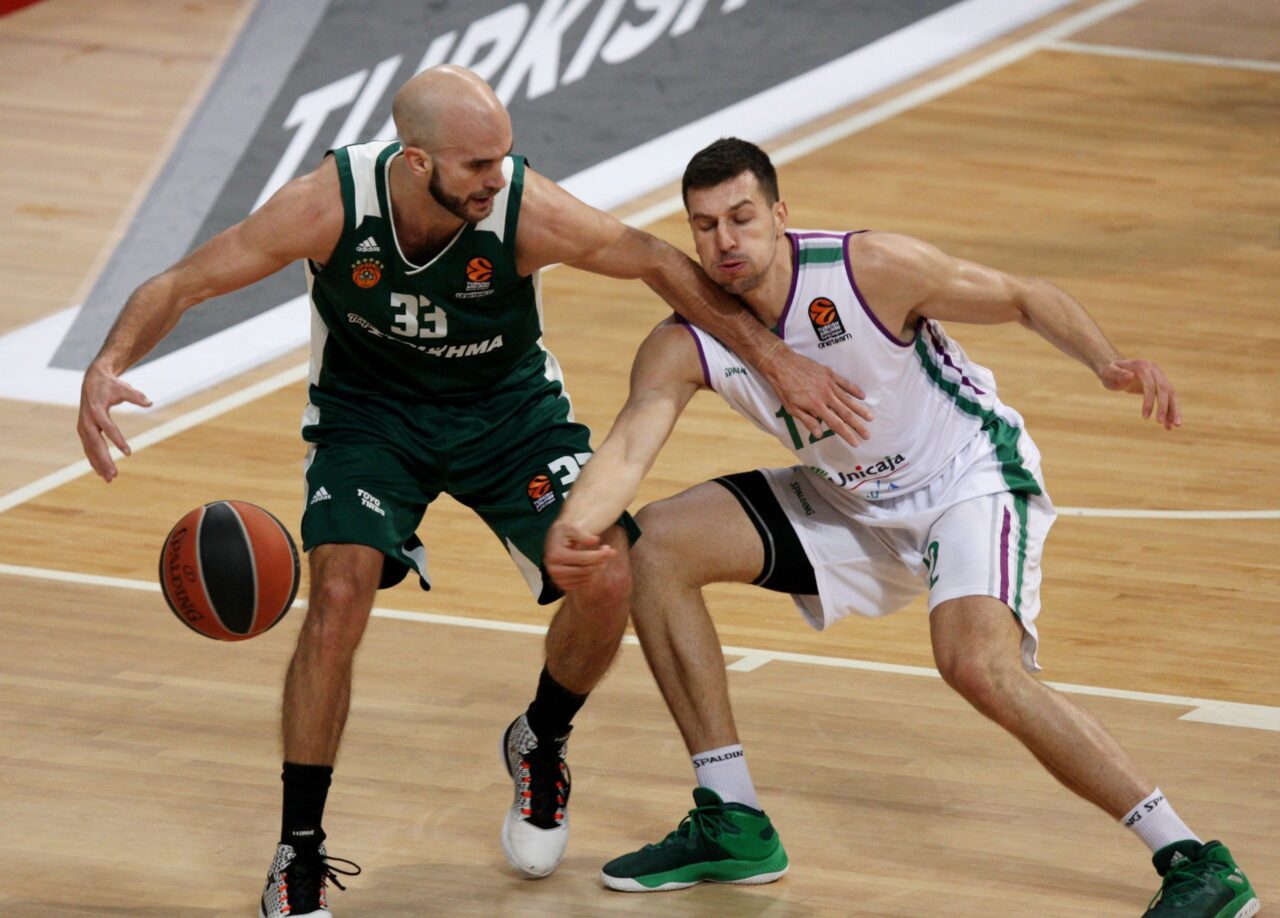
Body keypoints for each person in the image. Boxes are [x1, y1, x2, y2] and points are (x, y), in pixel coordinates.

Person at [75, 70, 871, 917]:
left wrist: (775, 360)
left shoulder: (522, 210)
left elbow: (652, 258)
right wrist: (108, 364)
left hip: (508, 417)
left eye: (504, 156)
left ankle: (541, 739)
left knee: (610, 571)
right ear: (417, 162)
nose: (500, 175)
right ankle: (297, 853)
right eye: (479, 164)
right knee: (337, 596)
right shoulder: (328, 206)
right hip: (370, 421)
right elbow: (184, 283)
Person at [544, 138, 1258, 917]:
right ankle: (733, 820)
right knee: (654, 546)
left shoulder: (867, 271)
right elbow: (628, 447)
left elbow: (1022, 296)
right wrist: (578, 526)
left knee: (977, 665)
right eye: (704, 226)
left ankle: (1193, 858)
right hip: (851, 500)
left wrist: (1107, 362)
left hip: (967, 477)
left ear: (780, 215)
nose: (725, 242)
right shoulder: (684, 341)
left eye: (742, 218)